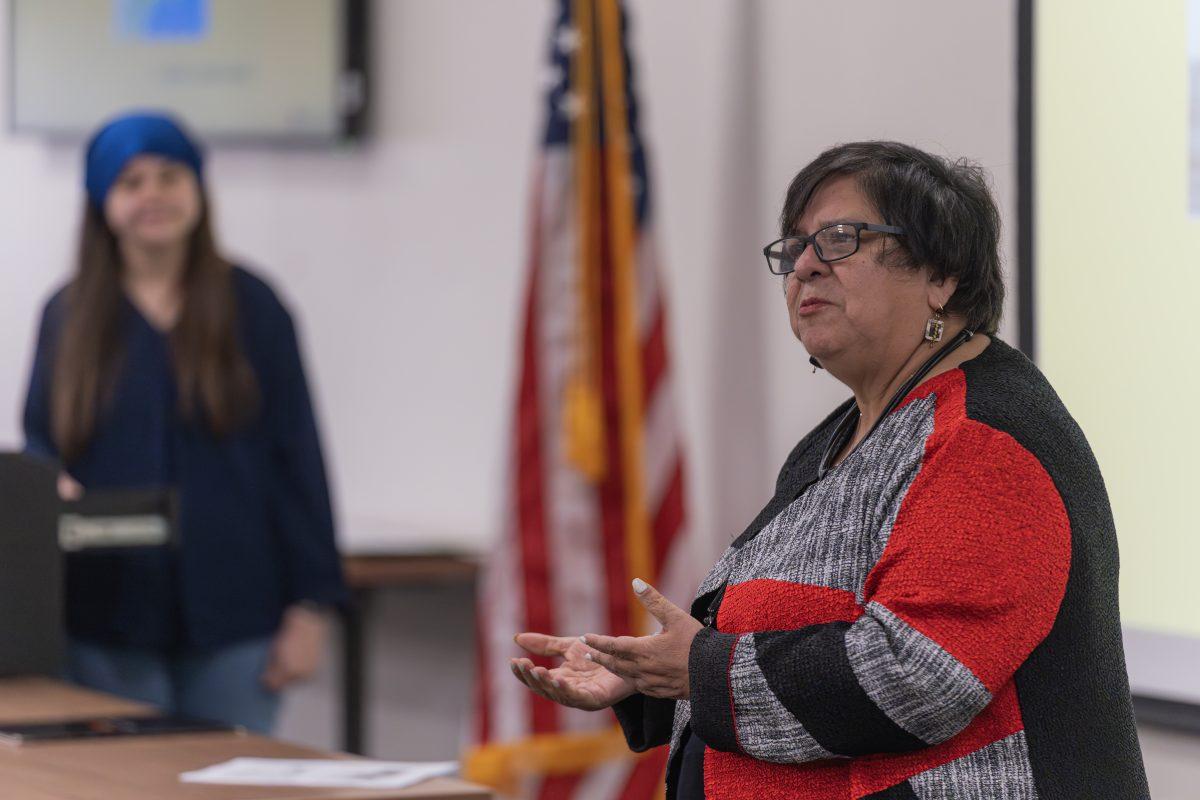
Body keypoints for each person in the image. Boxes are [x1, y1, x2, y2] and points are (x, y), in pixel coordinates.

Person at [508, 142, 1150, 798]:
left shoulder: (985, 440)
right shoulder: (848, 432)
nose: (805, 267)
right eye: (793, 249)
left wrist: (701, 670)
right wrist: (646, 672)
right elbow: (780, 628)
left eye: (840, 239)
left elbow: (918, 674)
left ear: (942, 274)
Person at [22, 111, 346, 734]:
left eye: (170, 176)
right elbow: (41, 443)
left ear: (197, 188)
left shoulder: (254, 306)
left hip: (238, 614)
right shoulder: (69, 316)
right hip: (106, 616)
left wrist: (311, 609)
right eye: (132, 181)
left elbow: (298, 459)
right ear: (101, 200)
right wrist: (49, 487)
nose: (153, 195)